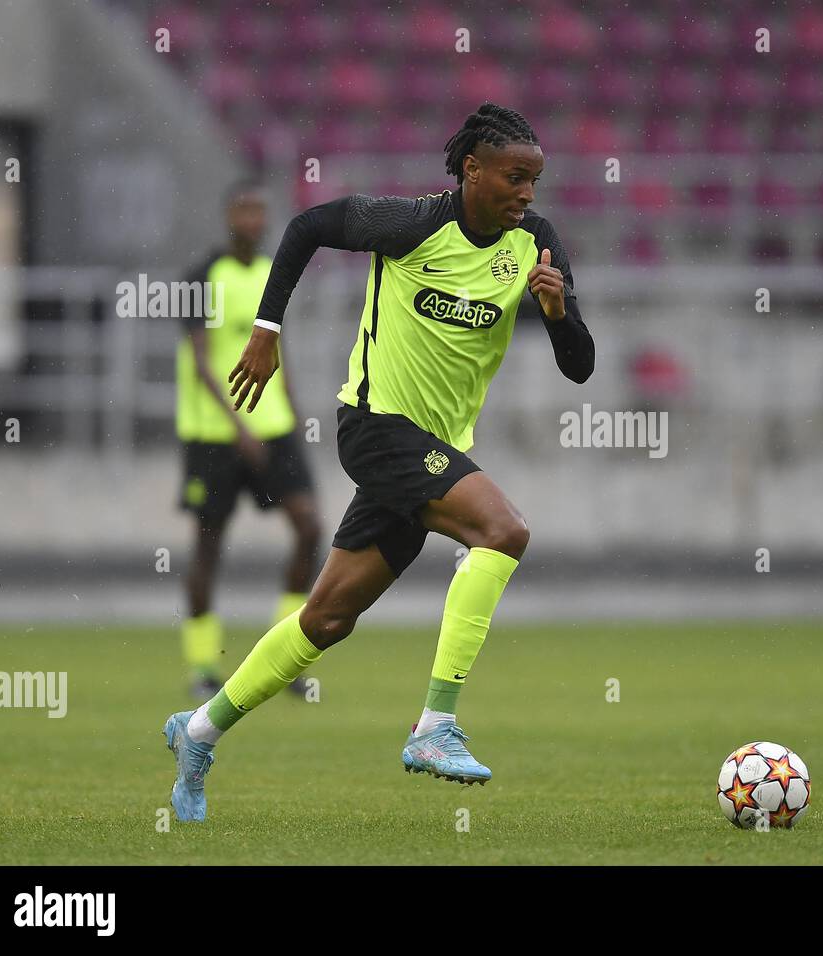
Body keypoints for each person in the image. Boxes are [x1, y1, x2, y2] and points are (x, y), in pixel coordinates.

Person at [163, 104, 594, 821]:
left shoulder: (537, 245)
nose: (527, 193)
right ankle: (437, 726)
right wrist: (267, 330)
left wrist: (557, 314)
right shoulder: (412, 224)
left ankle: (198, 731)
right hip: (376, 427)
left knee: (326, 620)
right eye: (515, 177)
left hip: (433, 451)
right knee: (504, 531)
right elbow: (306, 229)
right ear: (471, 170)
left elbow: (579, 367)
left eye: (536, 180)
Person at [175, 181, 320, 700]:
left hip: (273, 426)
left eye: (260, 210)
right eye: (244, 210)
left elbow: (277, 349)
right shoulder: (202, 277)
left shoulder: (270, 273)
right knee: (209, 545)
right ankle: (202, 667)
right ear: (227, 216)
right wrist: (238, 428)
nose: (253, 220)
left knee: (309, 527)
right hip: (215, 435)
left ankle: (285, 659)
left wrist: (294, 409)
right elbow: (199, 363)